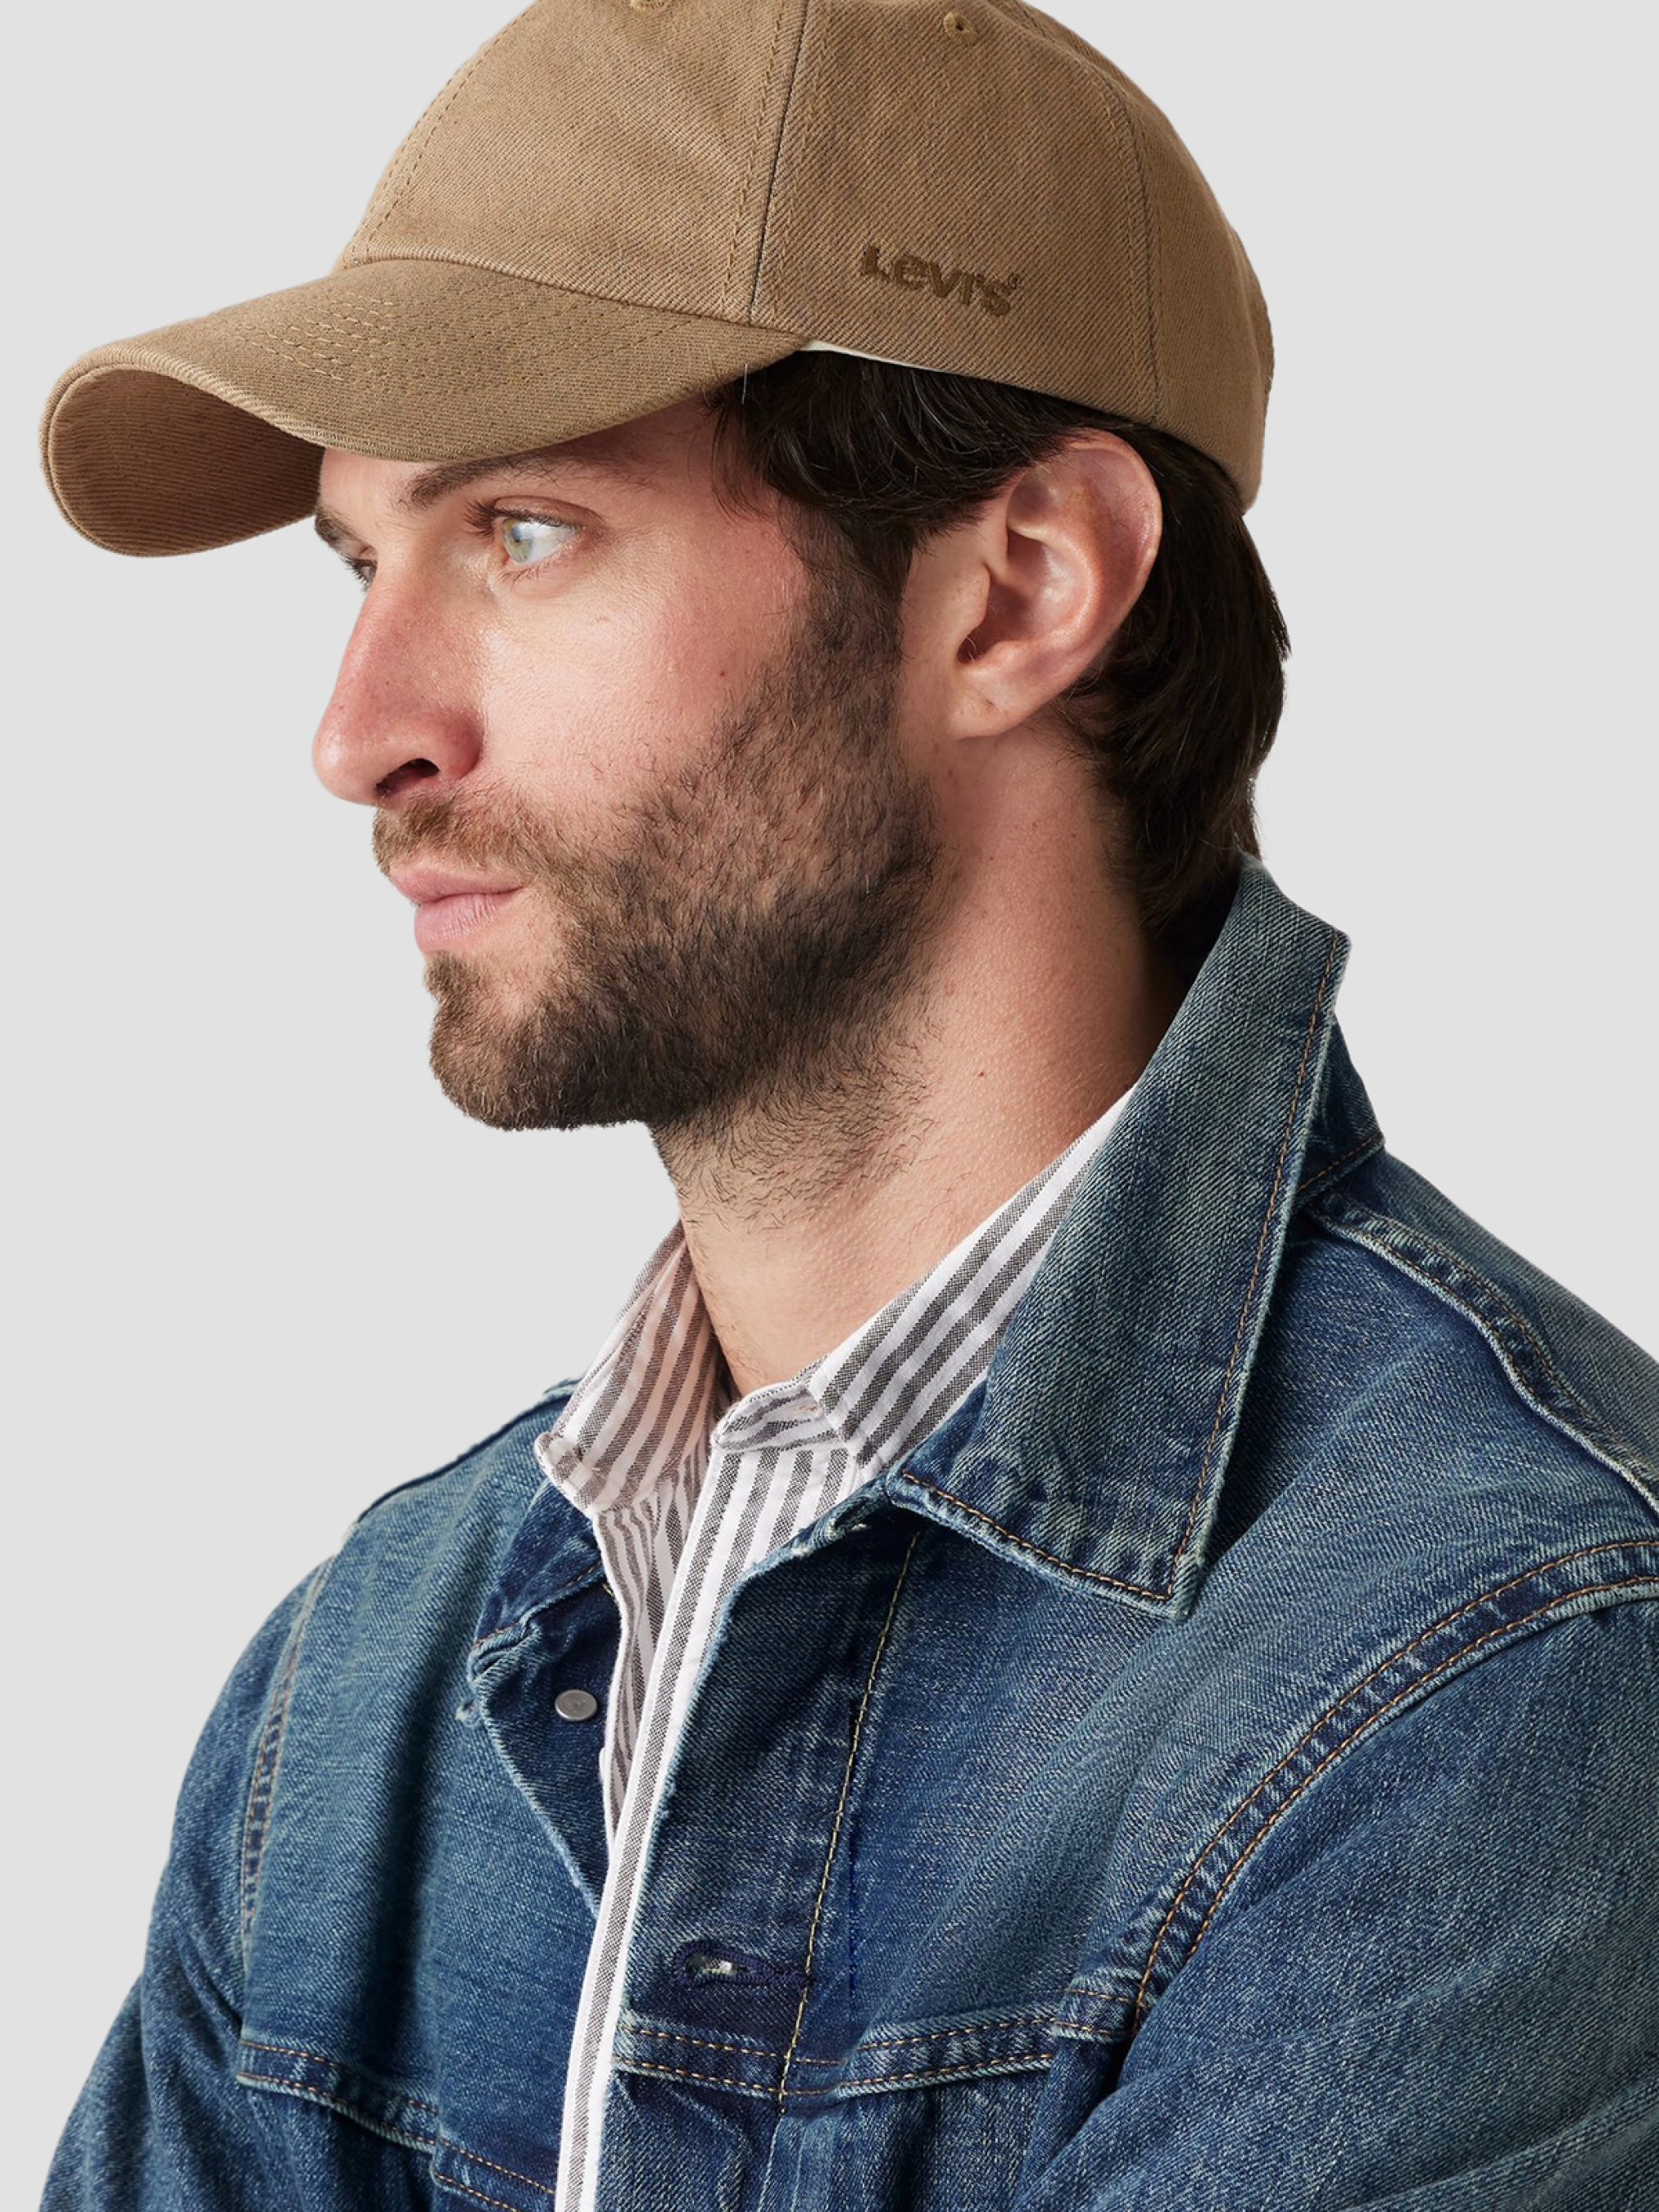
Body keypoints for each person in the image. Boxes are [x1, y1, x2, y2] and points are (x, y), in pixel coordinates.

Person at [36, 0, 1659, 2205]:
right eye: (358, 562)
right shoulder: (368, 1689)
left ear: (1018, 591)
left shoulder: (1498, 1657)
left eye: (523, 532)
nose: (360, 732)